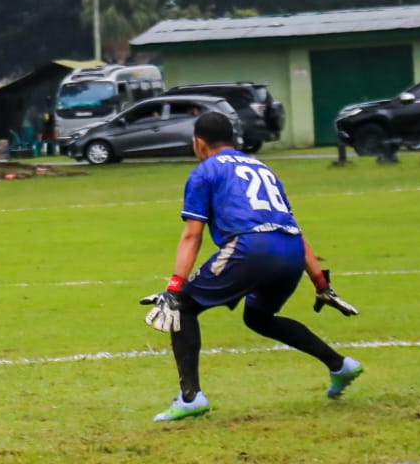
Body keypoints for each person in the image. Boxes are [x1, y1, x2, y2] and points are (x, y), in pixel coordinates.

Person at [140, 111, 362, 422]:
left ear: (198, 143)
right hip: (290, 250)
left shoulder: (205, 171)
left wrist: (174, 286)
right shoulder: (263, 167)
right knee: (259, 317)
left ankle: (190, 397)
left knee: (181, 306)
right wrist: (321, 284)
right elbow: (293, 227)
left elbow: (192, 235)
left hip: (251, 247)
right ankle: (340, 365)